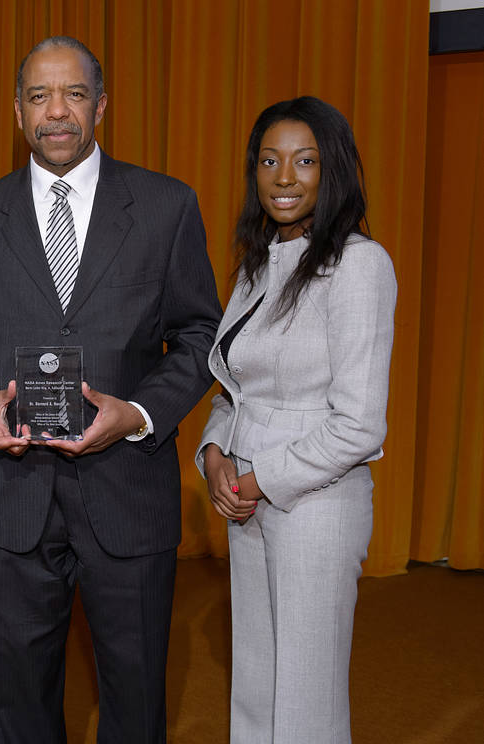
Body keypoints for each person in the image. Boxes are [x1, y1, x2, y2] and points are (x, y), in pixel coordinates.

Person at [0, 36, 222, 743]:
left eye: (72, 94)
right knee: (17, 695)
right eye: (39, 97)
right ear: (16, 112)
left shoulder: (165, 207)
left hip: (126, 488)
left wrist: (135, 412)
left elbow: (199, 336)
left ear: (100, 105)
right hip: (16, 496)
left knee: (133, 695)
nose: (56, 112)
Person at [196, 96, 397, 743]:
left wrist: (255, 481)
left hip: (315, 504)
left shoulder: (359, 265)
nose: (284, 177)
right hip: (246, 500)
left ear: (331, 168)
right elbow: (232, 387)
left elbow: (359, 425)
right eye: (269, 160)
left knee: (305, 696)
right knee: (255, 683)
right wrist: (213, 455)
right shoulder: (257, 264)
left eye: (304, 160)